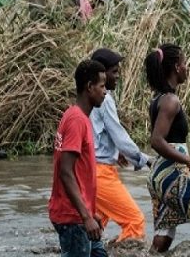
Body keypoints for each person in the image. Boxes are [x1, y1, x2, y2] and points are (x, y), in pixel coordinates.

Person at [144, 44, 190, 252]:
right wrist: (189, 161)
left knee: (164, 236)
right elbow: (157, 140)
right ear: (177, 67)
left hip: (159, 176)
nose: (187, 67)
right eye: (184, 63)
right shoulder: (171, 101)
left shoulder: (159, 98)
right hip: (172, 176)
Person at [87, 49, 151, 243]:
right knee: (135, 222)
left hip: (92, 171)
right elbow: (119, 136)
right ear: (102, 73)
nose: (118, 76)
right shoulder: (104, 99)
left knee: (95, 231)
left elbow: (98, 135)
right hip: (100, 174)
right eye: (114, 71)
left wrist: (116, 154)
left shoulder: (90, 97)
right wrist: (145, 160)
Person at [49, 60, 108, 257]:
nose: (105, 91)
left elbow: (76, 171)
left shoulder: (78, 117)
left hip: (79, 214)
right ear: (89, 87)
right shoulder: (76, 120)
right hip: (72, 217)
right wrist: (85, 216)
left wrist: (91, 212)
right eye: (102, 86)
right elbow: (65, 172)